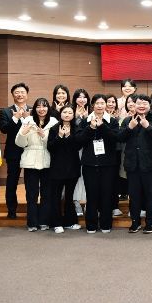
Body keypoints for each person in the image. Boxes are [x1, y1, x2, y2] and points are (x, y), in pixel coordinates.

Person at [118, 94, 152, 234]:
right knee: (134, 196)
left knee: (151, 195)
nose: (142, 106)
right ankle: (135, 222)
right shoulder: (127, 120)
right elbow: (119, 138)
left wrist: (148, 126)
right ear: (134, 105)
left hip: (150, 165)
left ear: (150, 106)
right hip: (132, 165)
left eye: (145, 103)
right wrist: (129, 127)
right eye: (139, 103)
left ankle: (150, 223)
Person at [75, 94, 119, 233]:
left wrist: (102, 126)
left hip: (108, 164)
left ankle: (106, 224)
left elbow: (115, 138)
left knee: (106, 195)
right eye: (97, 103)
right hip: (89, 164)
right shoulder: (85, 121)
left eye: (102, 103)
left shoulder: (112, 121)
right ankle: (91, 225)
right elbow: (79, 140)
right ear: (92, 105)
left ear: (106, 105)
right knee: (91, 195)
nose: (100, 106)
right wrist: (91, 128)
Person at [15, 97, 59, 231]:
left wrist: (43, 136)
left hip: (48, 161)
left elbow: (55, 144)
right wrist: (23, 133)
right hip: (30, 161)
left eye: (44, 106)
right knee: (31, 194)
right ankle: (32, 223)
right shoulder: (28, 121)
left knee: (47, 193)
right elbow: (20, 143)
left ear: (48, 108)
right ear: (34, 108)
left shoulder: (54, 122)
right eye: (38, 106)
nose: (41, 109)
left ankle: (44, 221)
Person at [47, 104, 82, 233]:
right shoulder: (54, 128)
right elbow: (50, 147)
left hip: (72, 167)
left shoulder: (77, 128)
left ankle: (69, 222)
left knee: (69, 196)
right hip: (57, 168)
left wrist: (68, 136)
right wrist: (60, 136)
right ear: (60, 114)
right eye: (65, 112)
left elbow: (77, 146)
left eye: (70, 112)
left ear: (74, 115)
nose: (67, 115)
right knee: (56, 196)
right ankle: (56, 223)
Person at [0, 82, 31, 219]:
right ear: (13, 95)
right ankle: (11, 210)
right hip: (13, 152)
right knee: (12, 182)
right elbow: (4, 129)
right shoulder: (5, 112)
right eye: (17, 92)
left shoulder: (33, 110)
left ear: (27, 95)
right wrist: (16, 118)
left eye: (22, 92)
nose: (20, 95)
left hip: (30, 151)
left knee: (31, 183)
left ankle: (32, 210)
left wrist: (27, 118)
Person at [71, 88, 90, 217]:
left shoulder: (92, 112)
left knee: (88, 176)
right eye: (79, 97)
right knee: (77, 176)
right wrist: (76, 117)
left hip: (88, 149)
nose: (82, 99)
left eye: (84, 97)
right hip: (75, 150)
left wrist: (87, 118)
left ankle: (89, 202)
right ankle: (76, 202)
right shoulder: (70, 111)